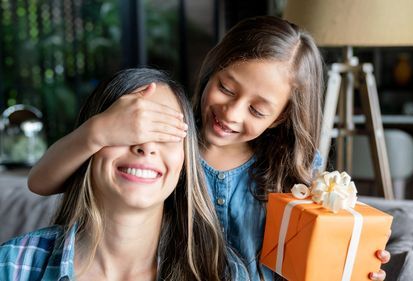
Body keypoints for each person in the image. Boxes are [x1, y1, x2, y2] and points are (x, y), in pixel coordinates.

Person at [28, 17, 390, 280]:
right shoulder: (171, 144)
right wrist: (99, 131)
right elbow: (41, 182)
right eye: (227, 89)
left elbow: (316, 257)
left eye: (257, 110)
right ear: (211, 68)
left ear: (280, 118)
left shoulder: (292, 170)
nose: (231, 112)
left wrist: (351, 263)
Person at [1, 68, 248, 281]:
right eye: (126, 129)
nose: (146, 146)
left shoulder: (223, 273)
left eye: (165, 134)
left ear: (185, 163)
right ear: (88, 146)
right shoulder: (13, 266)